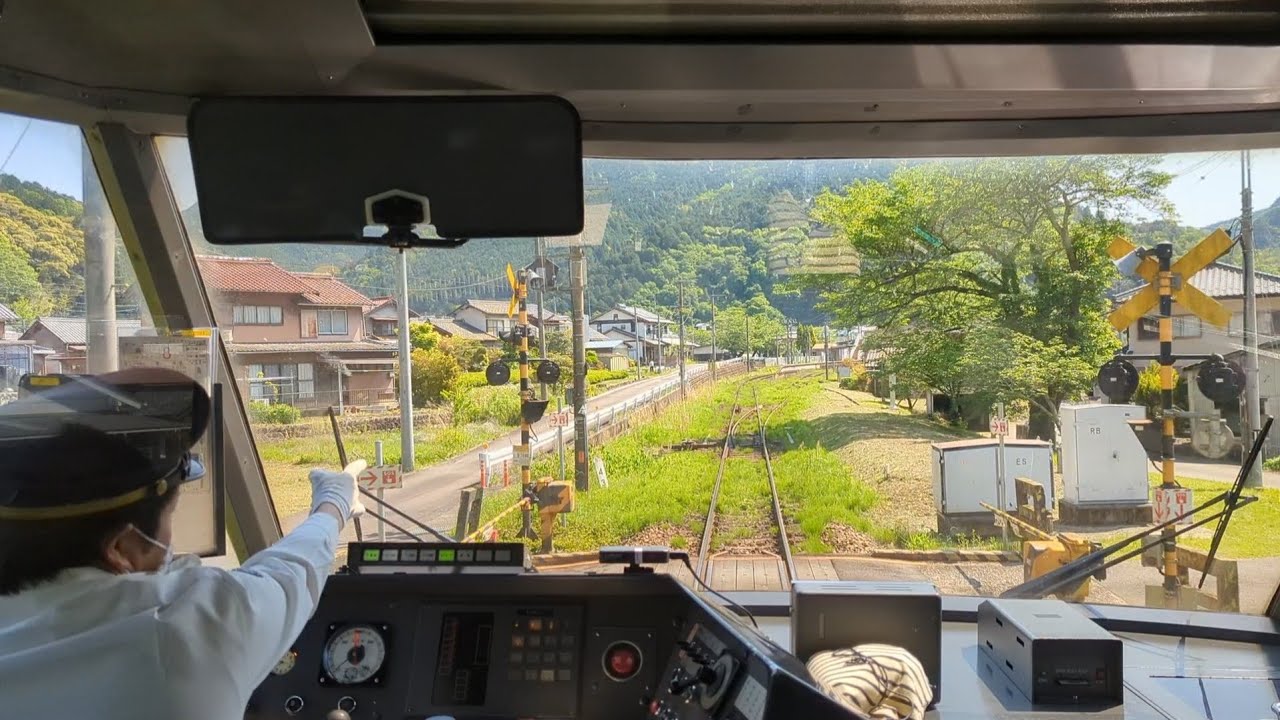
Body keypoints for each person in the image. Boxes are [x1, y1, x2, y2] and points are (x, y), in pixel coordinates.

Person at [0, 368, 362, 719]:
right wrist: (334, 504)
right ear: (120, 549)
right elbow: (291, 572)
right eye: (170, 517)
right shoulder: (183, 626)